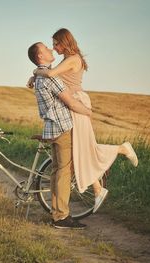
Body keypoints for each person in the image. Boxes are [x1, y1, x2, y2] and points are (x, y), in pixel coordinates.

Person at [29, 28, 138, 213]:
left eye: (56, 44)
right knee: (81, 149)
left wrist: (35, 71)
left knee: (86, 148)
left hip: (77, 103)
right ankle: (97, 189)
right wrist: (36, 75)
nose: (54, 48)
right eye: (52, 45)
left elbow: (49, 74)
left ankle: (121, 149)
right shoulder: (67, 59)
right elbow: (51, 76)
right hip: (73, 105)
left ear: (65, 42)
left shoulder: (73, 59)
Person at [28, 42, 92, 229]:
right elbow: (71, 102)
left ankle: (56, 213)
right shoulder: (51, 78)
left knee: (57, 171)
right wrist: (88, 111)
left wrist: (33, 74)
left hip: (52, 129)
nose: (50, 49)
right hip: (63, 129)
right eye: (46, 49)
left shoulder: (41, 77)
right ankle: (62, 217)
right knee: (64, 172)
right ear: (40, 57)